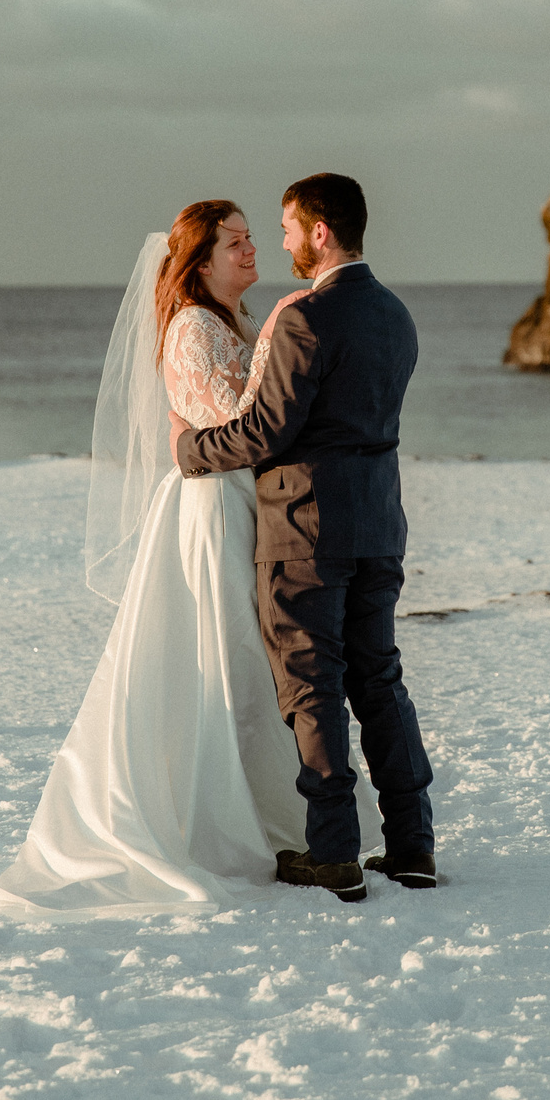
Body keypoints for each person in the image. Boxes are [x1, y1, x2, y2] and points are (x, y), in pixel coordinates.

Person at [0, 198, 353, 914]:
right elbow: (247, 427)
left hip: (240, 506)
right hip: (212, 512)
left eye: (254, 238)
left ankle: (284, 815)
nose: (252, 250)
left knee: (254, 659)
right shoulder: (195, 328)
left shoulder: (241, 322)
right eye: (235, 242)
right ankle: (227, 820)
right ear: (199, 261)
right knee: (225, 658)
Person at [174, 173, 434, 903]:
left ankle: (334, 854)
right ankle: (413, 843)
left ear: (321, 231)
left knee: (311, 686)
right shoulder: (397, 316)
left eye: (288, 227)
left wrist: (190, 450)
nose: (281, 241)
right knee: (379, 680)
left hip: (303, 527)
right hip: (380, 522)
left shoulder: (303, 320)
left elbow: (266, 431)